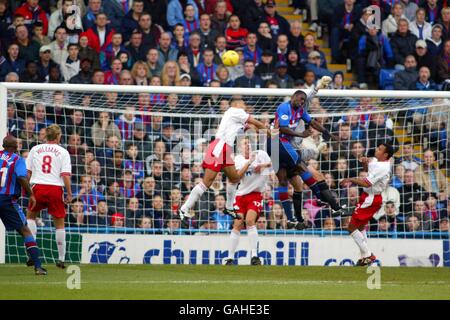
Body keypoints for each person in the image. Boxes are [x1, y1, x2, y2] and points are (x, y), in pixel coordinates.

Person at [269, 76, 345, 229]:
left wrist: (328, 134)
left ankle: (292, 220)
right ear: (293, 97)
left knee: (286, 181)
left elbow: (313, 122)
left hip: (282, 148)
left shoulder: (301, 111)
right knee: (303, 168)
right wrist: (302, 134)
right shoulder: (285, 108)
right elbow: (282, 128)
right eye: (300, 99)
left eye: (304, 101)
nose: (302, 102)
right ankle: (327, 201)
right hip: (278, 143)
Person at [178, 99, 268, 224]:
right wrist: (269, 131)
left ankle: (229, 207)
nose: (245, 106)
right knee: (207, 183)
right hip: (220, 147)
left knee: (234, 178)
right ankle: (185, 208)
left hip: (225, 149)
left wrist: (267, 130)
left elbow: (252, 128)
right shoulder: (235, 111)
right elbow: (255, 121)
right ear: (236, 104)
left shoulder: (236, 119)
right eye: (243, 103)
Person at [26, 125, 73, 269]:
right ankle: (61, 259)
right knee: (59, 223)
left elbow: (27, 172)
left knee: (30, 217)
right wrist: (70, 193)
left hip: (37, 187)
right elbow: (65, 175)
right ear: (58, 136)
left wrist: (28, 190)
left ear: (46, 136)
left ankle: (32, 255)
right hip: (55, 188)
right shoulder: (63, 152)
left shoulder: (35, 149)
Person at [340, 142, 394, 266]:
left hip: (371, 198)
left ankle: (369, 254)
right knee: (360, 227)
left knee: (351, 227)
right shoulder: (376, 161)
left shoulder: (384, 167)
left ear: (385, 154)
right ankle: (365, 256)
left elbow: (367, 183)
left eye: (379, 149)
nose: (376, 149)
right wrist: (365, 162)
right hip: (369, 196)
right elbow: (368, 170)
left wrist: (350, 179)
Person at [0, 135, 47, 275]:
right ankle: (38, 266)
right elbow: (21, 177)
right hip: (7, 200)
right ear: (15, 147)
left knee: (24, 228)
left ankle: (32, 258)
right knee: (25, 230)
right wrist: (31, 194)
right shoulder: (17, 159)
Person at [225, 137, 272, 266]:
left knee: (250, 221)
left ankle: (254, 256)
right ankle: (230, 258)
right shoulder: (238, 160)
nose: (248, 145)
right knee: (238, 224)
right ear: (239, 148)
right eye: (244, 143)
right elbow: (238, 176)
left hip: (256, 195)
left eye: (248, 143)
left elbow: (273, 164)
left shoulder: (260, 154)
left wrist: (263, 165)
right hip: (240, 196)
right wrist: (249, 163)